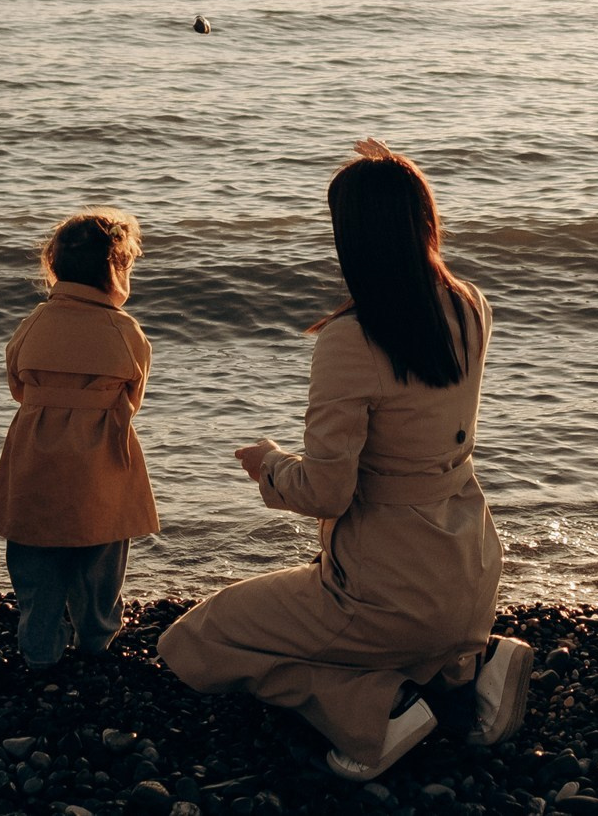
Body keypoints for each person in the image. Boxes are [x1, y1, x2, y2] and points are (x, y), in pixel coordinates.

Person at [158, 139, 533, 782]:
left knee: (192, 643)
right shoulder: (470, 306)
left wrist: (272, 466)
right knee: (387, 636)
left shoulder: (350, 339)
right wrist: (400, 178)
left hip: (388, 590)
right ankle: (470, 670)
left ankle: (376, 714)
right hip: (469, 571)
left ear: (349, 240)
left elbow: (329, 493)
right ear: (425, 219)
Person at [0, 207, 160, 667]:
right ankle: (96, 638)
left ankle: (38, 646)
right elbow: (134, 393)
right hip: (101, 457)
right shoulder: (124, 331)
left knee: (33, 556)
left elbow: (16, 383)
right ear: (116, 268)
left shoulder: (35, 323)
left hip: (35, 455)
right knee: (102, 552)